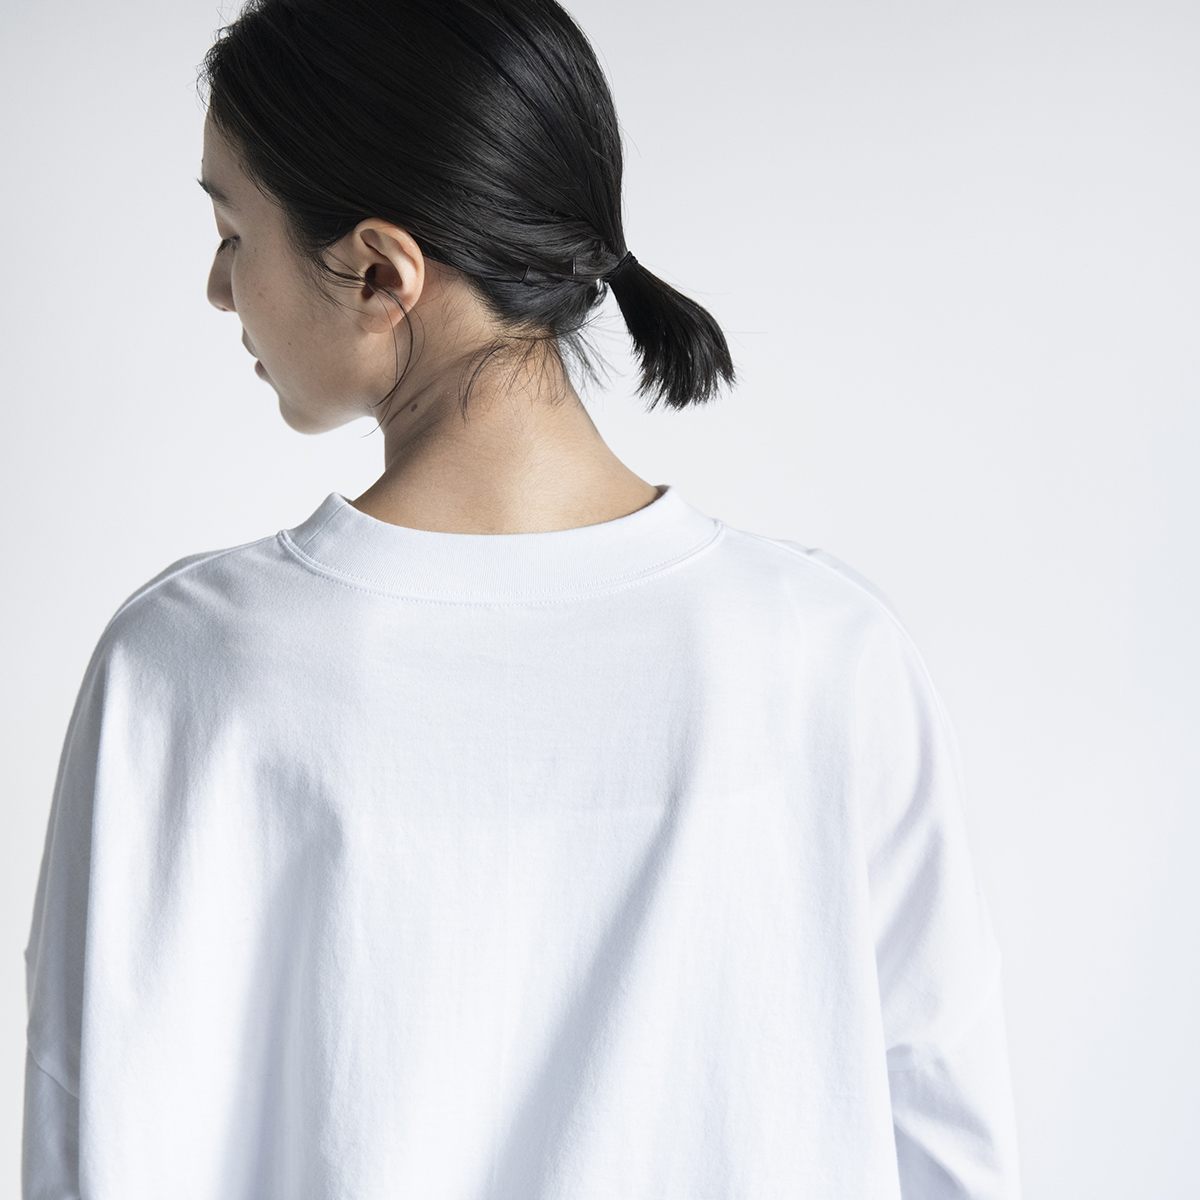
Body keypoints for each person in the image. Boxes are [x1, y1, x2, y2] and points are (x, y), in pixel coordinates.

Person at [22, 0, 1021, 1196]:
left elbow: (95, 1138)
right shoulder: (824, 652)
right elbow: (949, 1147)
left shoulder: (189, 670)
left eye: (234, 233)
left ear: (381, 272)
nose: (218, 287)